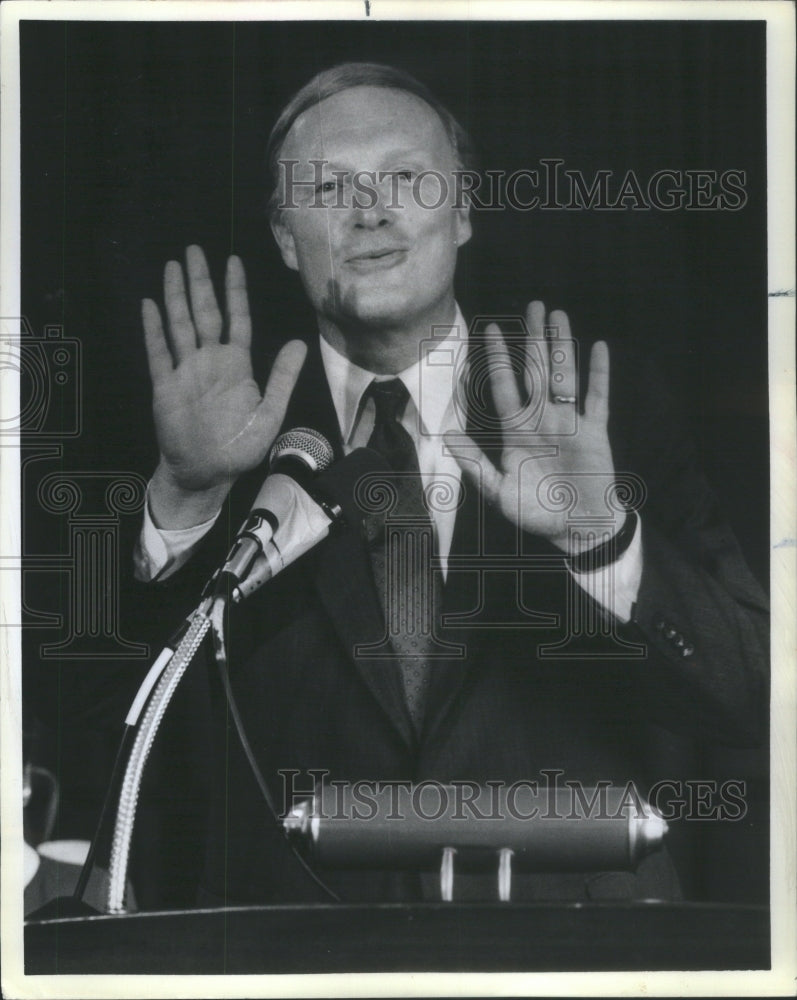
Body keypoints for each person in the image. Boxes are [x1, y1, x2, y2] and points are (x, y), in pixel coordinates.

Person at [131, 63, 768, 904]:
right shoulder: (225, 431)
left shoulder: (603, 415)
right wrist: (184, 497)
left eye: (406, 176)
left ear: (462, 211)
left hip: (572, 948)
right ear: (285, 237)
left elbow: (754, 701)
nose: (371, 210)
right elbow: (103, 729)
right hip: (294, 950)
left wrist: (600, 540)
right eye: (329, 186)